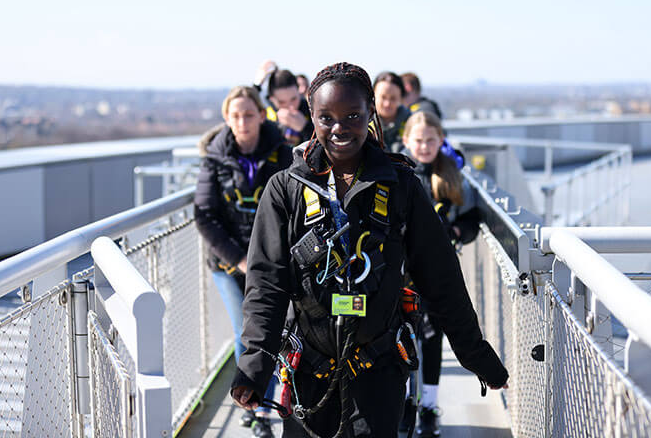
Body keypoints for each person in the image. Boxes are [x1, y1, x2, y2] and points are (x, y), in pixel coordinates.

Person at [230, 62, 508, 438]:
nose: (339, 128)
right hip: (308, 372)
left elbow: (441, 279)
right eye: (326, 118)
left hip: (378, 370)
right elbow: (267, 285)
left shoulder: (401, 187)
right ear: (311, 117)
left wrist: (478, 358)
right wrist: (254, 367)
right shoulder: (285, 189)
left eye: (353, 116)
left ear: (371, 115)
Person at [194, 85, 293, 438]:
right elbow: (204, 215)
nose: (242, 121)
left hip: (271, 263)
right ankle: (255, 410)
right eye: (235, 115)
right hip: (228, 264)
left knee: (275, 330)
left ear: (261, 115)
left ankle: (267, 402)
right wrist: (238, 259)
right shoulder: (214, 158)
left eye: (249, 114)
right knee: (246, 332)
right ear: (226, 118)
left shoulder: (281, 152)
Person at [400, 111, 482, 437]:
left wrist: (457, 232)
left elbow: (473, 219)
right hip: (400, 273)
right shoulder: (394, 172)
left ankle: (429, 407)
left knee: (433, 339)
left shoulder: (451, 176)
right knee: (403, 339)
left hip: (436, 274)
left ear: (441, 141)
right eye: (418, 140)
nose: (423, 146)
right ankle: (405, 401)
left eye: (430, 140)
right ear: (406, 140)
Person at [254, 60, 314, 146]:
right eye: (282, 102)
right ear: (272, 99)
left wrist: (306, 128)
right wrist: (257, 85)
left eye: (293, 99)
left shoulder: (311, 110)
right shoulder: (265, 115)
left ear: (298, 92)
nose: (290, 106)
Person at [373, 71, 411, 152]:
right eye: (383, 97)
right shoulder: (362, 123)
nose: (387, 104)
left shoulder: (412, 124)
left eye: (393, 98)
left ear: (401, 99)